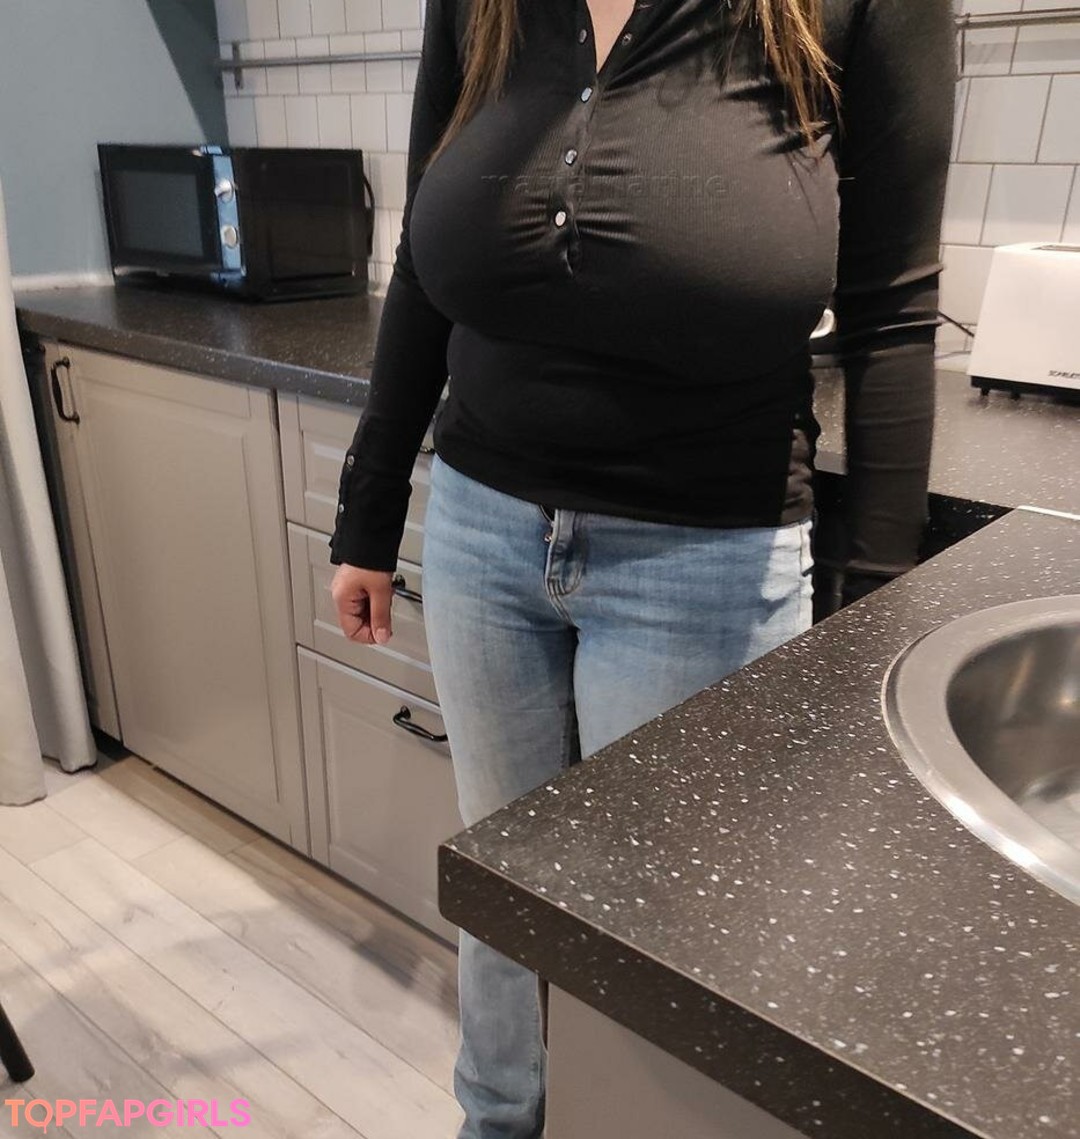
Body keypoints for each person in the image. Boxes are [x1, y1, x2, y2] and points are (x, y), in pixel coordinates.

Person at [328, 0, 954, 1135]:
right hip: (478, 526)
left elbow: (893, 315)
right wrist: (367, 516)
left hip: (705, 557)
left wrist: (871, 628)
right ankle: (496, 1118)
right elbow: (422, 261)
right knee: (502, 881)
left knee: (666, 929)